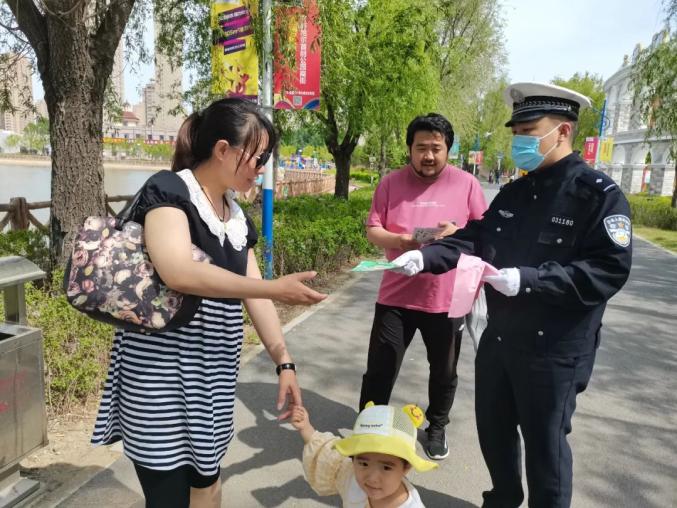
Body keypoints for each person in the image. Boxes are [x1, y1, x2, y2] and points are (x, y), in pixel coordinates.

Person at [391, 83, 633, 507]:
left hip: (553, 350)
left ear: (562, 131)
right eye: (516, 133)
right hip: (500, 339)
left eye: (528, 132)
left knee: (545, 448)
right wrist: (425, 258)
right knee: (494, 431)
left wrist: (530, 280)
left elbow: (608, 269)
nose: (519, 142)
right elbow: (475, 238)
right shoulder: (516, 192)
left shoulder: (597, 195)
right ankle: (502, 499)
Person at [91, 98, 327, 508]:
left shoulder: (236, 218)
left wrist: (284, 361)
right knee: (168, 494)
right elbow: (178, 271)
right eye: (258, 157)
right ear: (223, 150)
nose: (261, 168)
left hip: (211, 377)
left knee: (208, 482)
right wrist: (274, 289)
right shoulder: (169, 191)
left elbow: (254, 293)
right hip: (159, 375)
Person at [359, 113, 487, 460]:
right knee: (380, 368)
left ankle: (437, 426)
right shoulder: (390, 183)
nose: (428, 156)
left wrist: (457, 233)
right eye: (421, 148)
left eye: (436, 148)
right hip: (396, 296)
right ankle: (369, 425)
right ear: (409, 149)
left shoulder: (467, 184)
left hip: (447, 298)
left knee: (444, 371)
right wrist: (401, 241)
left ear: (448, 149)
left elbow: (484, 233)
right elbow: (373, 230)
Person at [291, 402, 438, 507]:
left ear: (406, 467)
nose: (372, 478)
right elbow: (327, 453)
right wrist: (305, 428)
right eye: (364, 463)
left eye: (386, 467)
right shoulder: (350, 474)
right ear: (353, 458)